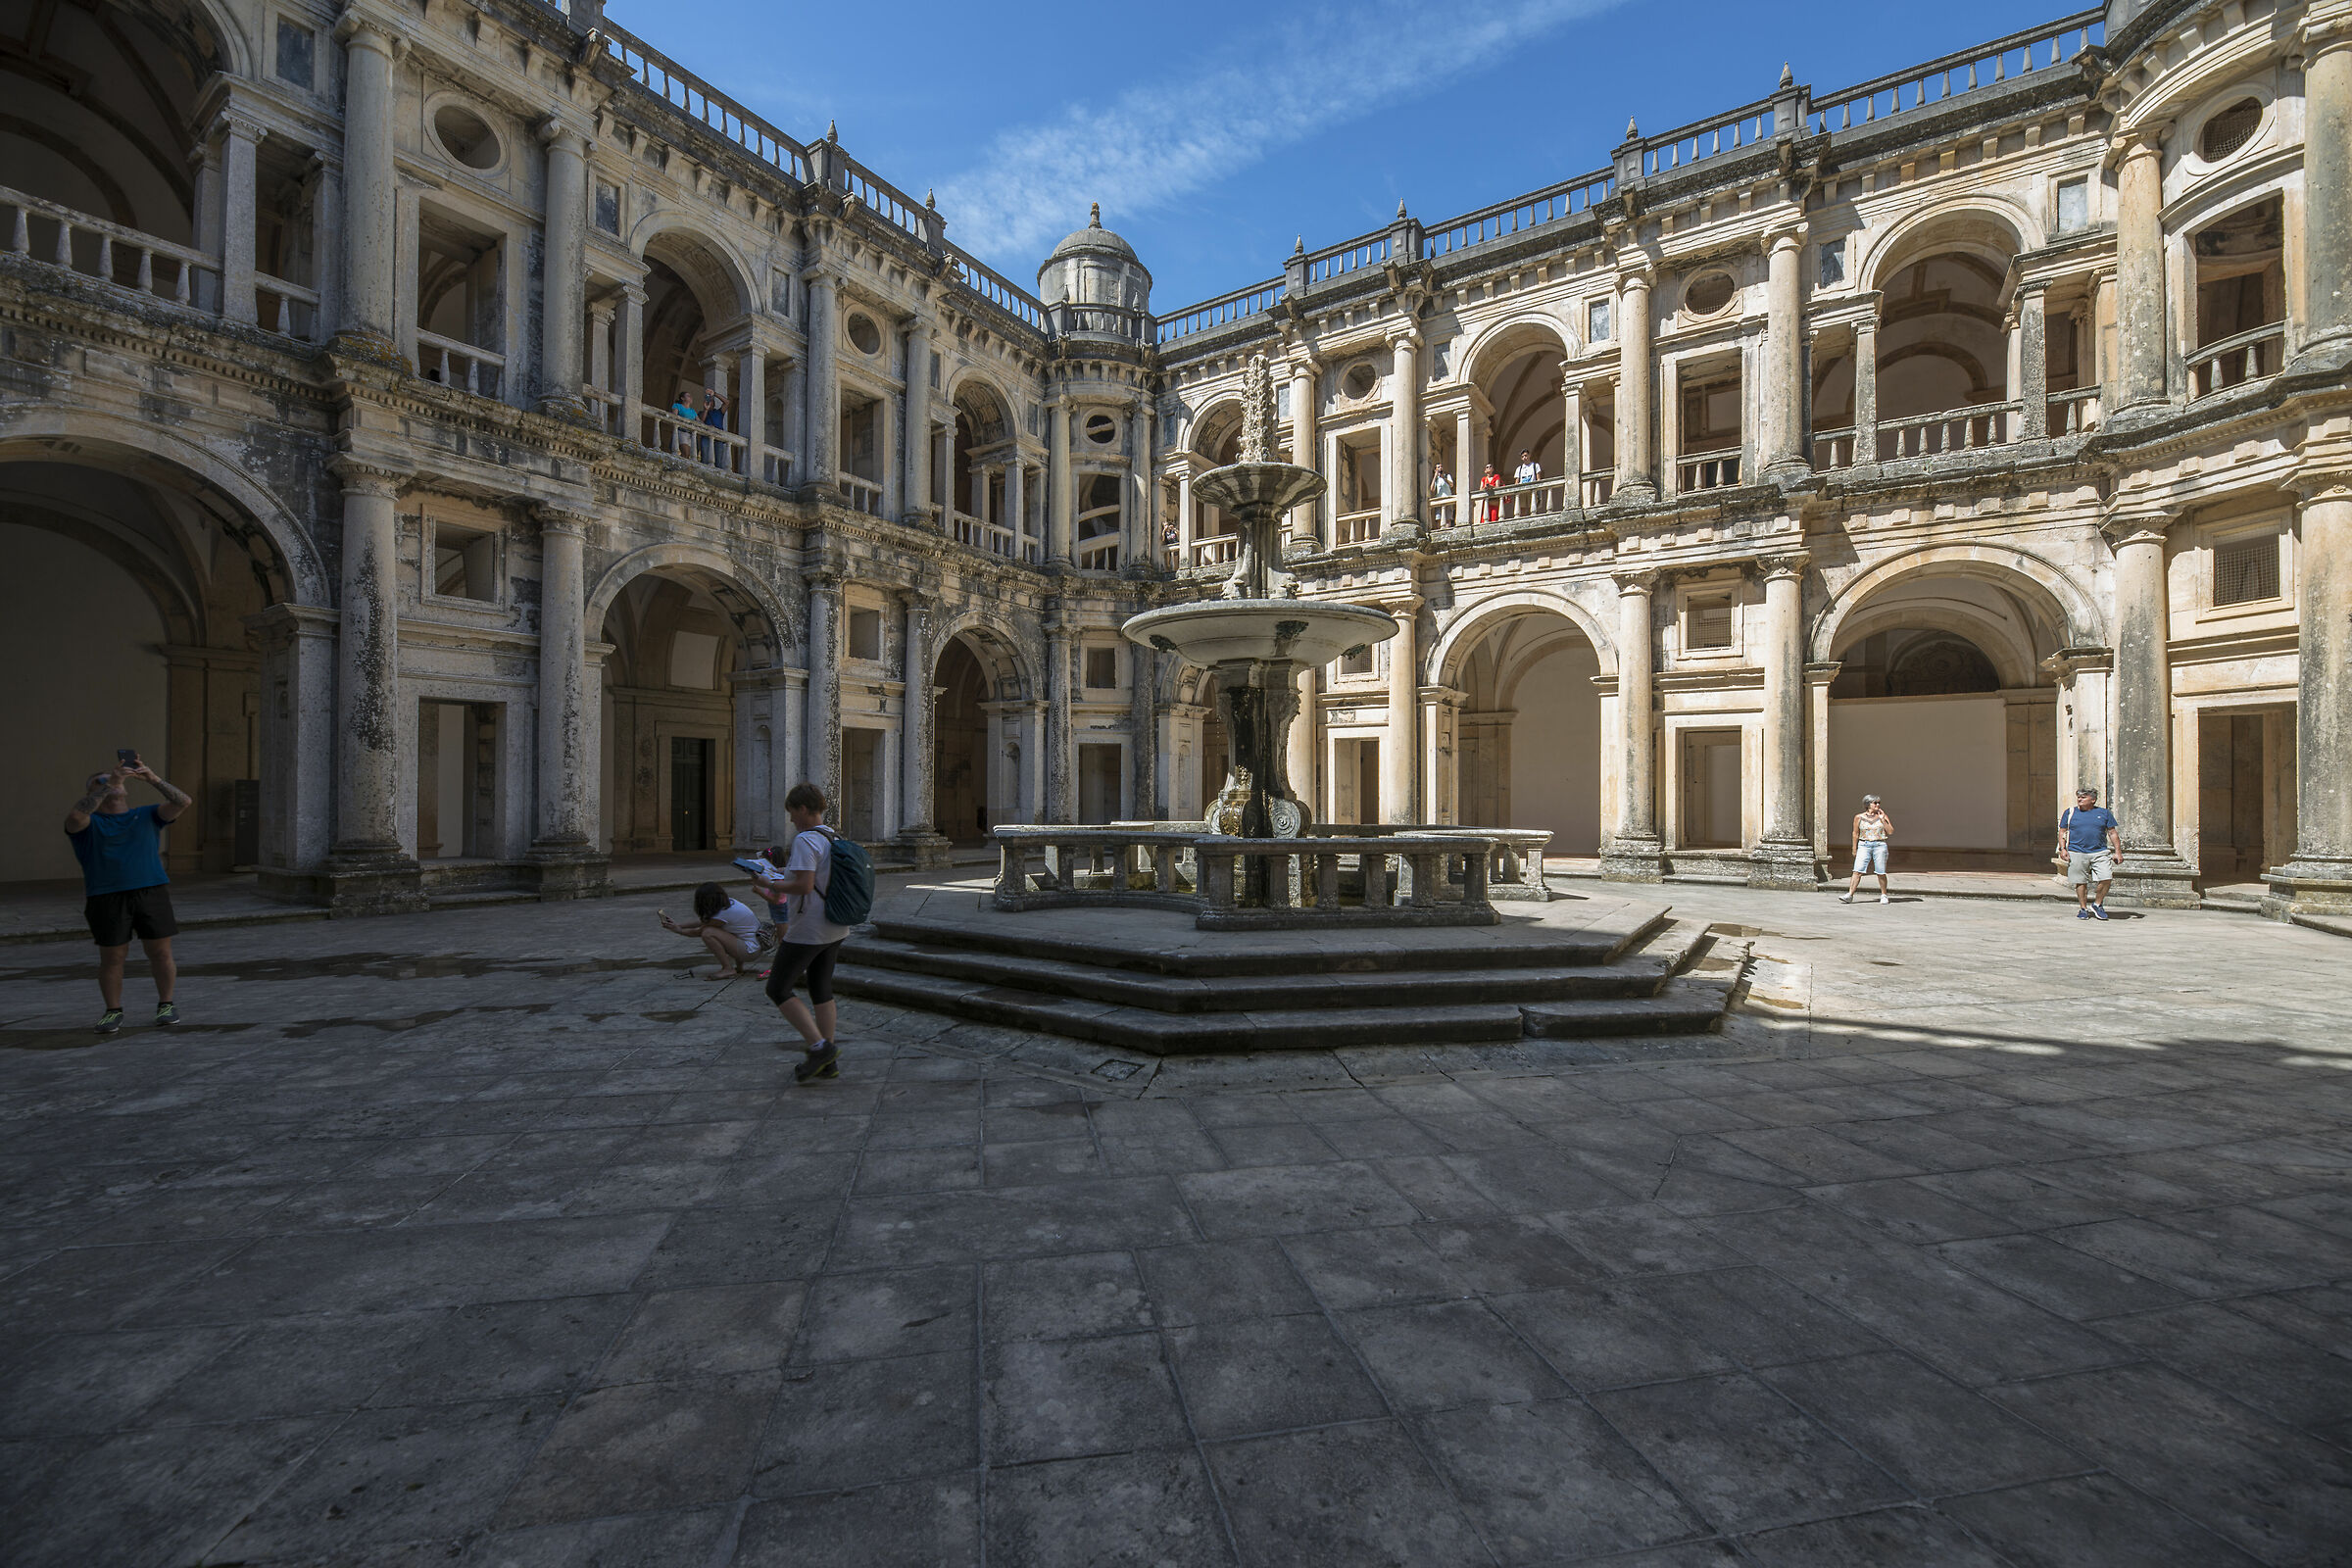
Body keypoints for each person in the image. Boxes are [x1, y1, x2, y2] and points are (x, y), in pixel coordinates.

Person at [64, 758, 189, 1035]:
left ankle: (166, 1005)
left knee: (161, 952)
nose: (112, 781)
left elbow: (183, 801)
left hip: (151, 891)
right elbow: (75, 818)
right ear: (92, 793)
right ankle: (113, 1010)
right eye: (101, 781)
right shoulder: (88, 823)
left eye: (114, 779)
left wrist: (153, 779)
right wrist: (110, 783)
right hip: (106, 896)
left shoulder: (146, 815)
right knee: (113, 958)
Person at [768, 782, 854, 1082]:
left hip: (809, 927)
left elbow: (804, 886)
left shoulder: (805, 840)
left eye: (792, 812)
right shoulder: (833, 836)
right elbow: (816, 876)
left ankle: (819, 1048)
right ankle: (828, 1061)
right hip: (835, 924)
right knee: (820, 988)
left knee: (777, 988)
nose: (791, 819)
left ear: (803, 809)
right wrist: (782, 874)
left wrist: (770, 883)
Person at [661, 882, 761, 978]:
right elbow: (704, 921)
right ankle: (738, 968)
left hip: (749, 951)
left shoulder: (723, 915)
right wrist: (678, 925)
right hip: (753, 946)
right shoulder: (729, 903)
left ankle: (728, 968)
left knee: (708, 933)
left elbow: (698, 931)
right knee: (729, 931)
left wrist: (679, 931)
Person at [2059, 786, 2123, 920]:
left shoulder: (2104, 813)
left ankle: (2097, 904)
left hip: (2100, 851)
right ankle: (2083, 908)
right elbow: (2062, 832)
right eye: (2078, 797)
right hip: (2076, 851)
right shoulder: (2070, 812)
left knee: (2106, 877)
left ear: (2093, 800)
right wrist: (2062, 849)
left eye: (2083, 797)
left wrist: (2118, 852)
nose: (2080, 799)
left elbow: (2112, 833)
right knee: (2080, 881)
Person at [1839, 794, 1893, 905]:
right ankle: (1850, 894)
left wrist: (1883, 820)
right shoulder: (1859, 817)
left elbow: (1890, 831)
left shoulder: (1883, 816)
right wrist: (1854, 848)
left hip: (1879, 844)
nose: (1877, 805)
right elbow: (1855, 833)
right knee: (1857, 870)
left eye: (1879, 803)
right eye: (1875, 803)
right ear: (1868, 804)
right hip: (1864, 845)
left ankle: (1884, 894)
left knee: (1880, 871)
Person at [669, 391, 699, 457]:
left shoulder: (692, 410)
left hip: (690, 434)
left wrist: (708, 426)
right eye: (688, 396)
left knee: (688, 455)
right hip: (682, 431)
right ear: (682, 398)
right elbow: (674, 416)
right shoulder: (677, 406)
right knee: (685, 452)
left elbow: (698, 421)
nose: (691, 397)